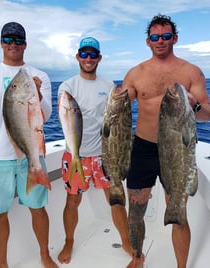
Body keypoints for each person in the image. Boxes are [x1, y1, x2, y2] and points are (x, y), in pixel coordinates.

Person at [122, 14, 210, 268]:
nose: (160, 41)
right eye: (154, 37)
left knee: (179, 215)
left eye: (165, 36)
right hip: (143, 148)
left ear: (174, 38)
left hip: (178, 150)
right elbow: (120, 107)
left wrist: (194, 106)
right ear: (147, 41)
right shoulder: (136, 73)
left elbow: (207, 115)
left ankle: (181, 266)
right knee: (135, 211)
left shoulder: (191, 72)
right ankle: (138, 257)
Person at [0, 22, 58, 268]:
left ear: (25, 44)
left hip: (31, 153)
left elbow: (45, 117)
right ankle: (2, 262)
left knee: (37, 207)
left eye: (18, 39)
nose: (13, 44)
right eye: (8, 39)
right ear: (1, 42)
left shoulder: (39, 76)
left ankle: (45, 254)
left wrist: (38, 96)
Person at [57, 37, 133, 264]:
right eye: (84, 54)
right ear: (77, 57)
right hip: (75, 154)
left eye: (93, 54)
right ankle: (69, 241)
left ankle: (126, 242)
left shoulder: (109, 86)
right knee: (72, 202)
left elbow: (117, 119)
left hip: (105, 154)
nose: (88, 58)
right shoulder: (67, 87)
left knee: (116, 200)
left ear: (99, 57)